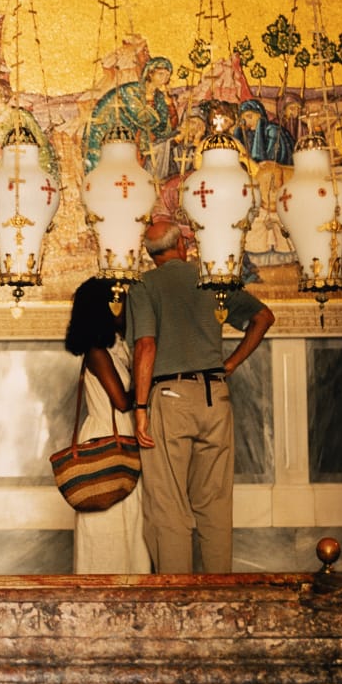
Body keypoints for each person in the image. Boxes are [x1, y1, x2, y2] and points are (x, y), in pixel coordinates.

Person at [128, 220, 274, 573]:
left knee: (168, 504)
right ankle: (219, 600)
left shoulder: (143, 285)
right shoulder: (211, 277)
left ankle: (178, 602)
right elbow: (264, 317)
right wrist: (231, 364)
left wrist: (141, 407)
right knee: (215, 503)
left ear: (150, 254)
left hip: (169, 396)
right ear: (182, 246)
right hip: (215, 397)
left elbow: (146, 345)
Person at [63, 278, 151, 574]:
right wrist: (145, 383)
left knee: (128, 520)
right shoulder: (97, 352)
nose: (125, 307)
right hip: (108, 437)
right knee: (107, 522)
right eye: (119, 301)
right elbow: (122, 402)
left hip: (118, 434)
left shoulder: (115, 348)